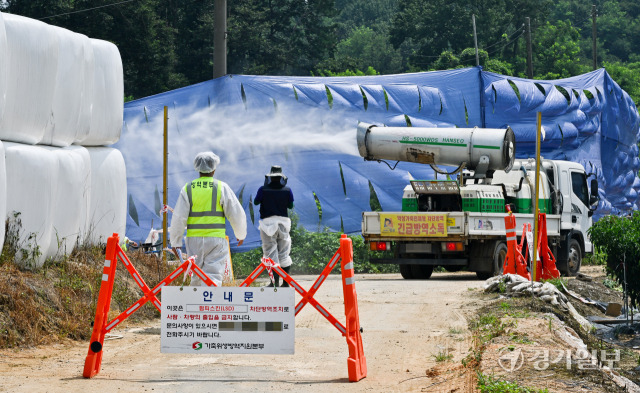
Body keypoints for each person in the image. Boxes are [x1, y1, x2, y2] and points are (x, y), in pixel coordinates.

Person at [169, 152, 247, 286]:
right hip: (216, 239)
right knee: (213, 277)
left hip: (194, 239)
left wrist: (175, 242)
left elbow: (179, 217)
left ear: (197, 168)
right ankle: (209, 304)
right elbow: (235, 212)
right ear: (214, 168)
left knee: (196, 275)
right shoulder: (222, 187)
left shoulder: (187, 188)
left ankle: (195, 305)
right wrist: (240, 234)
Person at [254, 165, 294, 287]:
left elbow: (256, 202)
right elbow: (291, 206)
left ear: (270, 177)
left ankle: (274, 282)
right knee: (284, 252)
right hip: (283, 223)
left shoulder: (263, 189)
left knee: (270, 253)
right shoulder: (287, 190)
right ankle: (286, 283)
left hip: (267, 225)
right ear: (281, 177)